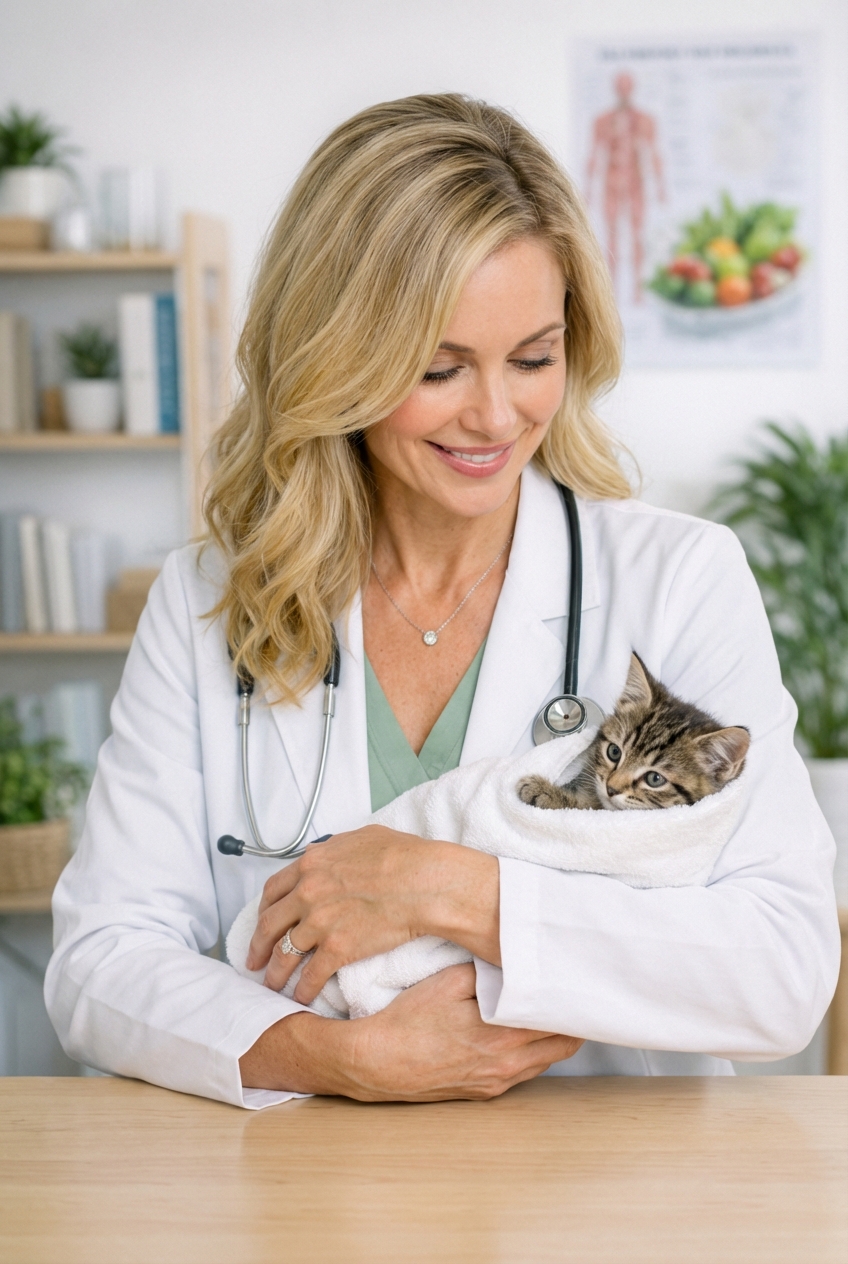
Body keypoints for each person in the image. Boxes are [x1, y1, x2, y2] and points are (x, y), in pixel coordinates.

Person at [45, 95, 839, 1107]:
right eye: (437, 366)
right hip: (306, 1204)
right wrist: (332, 1057)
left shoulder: (675, 579)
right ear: (336, 358)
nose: (496, 415)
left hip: (608, 1201)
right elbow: (99, 959)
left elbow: (779, 969)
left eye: (533, 357)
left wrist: (457, 891)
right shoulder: (207, 599)